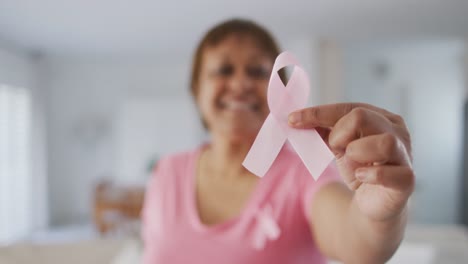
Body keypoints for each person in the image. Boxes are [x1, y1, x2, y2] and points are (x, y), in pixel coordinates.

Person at [142, 19, 414, 264]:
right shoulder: (167, 171)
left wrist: (380, 216)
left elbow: (357, 243)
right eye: (224, 70)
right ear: (196, 90)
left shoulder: (302, 176)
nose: (240, 84)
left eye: (258, 72)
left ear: (282, 92)